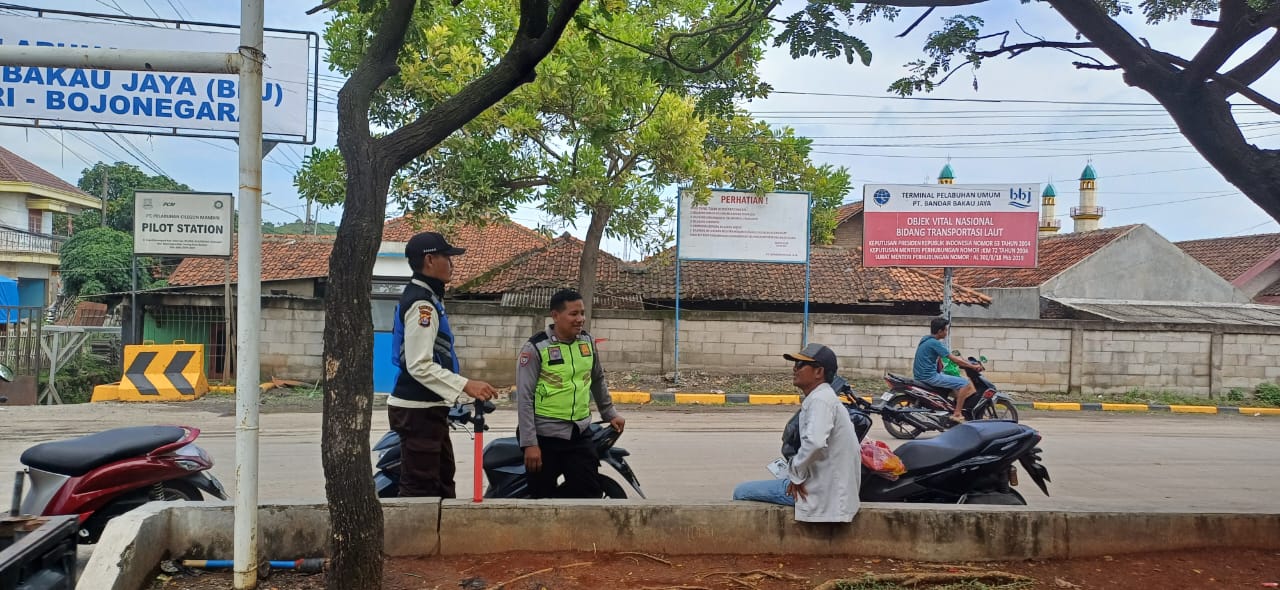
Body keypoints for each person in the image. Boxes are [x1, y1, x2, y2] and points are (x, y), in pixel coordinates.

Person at [389, 231, 497, 498]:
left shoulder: (429, 298)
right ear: (429, 260)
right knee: (422, 490)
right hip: (418, 411)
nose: (452, 264)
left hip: (428, 408)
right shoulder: (422, 305)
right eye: (447, 257)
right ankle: (415, 528)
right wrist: (466, 385)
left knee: (441, 482)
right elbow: (419, 364)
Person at [732, 343, 861, 523]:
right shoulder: (824, 397)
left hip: (819, 493)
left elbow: (815, 442)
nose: (794, 369)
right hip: (827, 489)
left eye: (800, 365)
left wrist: (796, 476)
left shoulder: (820, 401)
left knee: (741, 492)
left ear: (819, 372)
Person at [515, 289, 625, 499]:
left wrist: (609, 413)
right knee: (541, 499)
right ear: (555, 316)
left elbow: (597, 379)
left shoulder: (587, 342)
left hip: (579, 433)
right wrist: (530, 443)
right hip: (544, 436)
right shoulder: (536, 347)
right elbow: (525, 398)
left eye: (582, 313)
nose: (580, 319)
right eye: (574, 314)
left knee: (589, 493)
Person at [913, 317, 982, 423]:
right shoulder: (935, 343)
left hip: (920, 375)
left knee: (953, 380)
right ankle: (957, 414)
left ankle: (950, 407)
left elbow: (939, 359)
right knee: (965, 383)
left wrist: (962, 362)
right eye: (945, 330)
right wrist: (973, 366)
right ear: (940, 331)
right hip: (930, 377)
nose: (946, 332)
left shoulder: (925, 339)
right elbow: (954, 359)